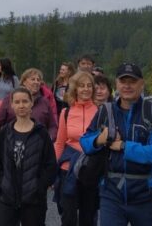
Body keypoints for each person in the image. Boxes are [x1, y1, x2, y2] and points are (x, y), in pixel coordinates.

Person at [80, 63, 152, 226]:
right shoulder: (105, 112)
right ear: (116, 84)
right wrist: (100, 139)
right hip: (111, 192)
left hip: (145, 194)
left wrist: (123, 146)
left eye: (132, 81)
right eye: (123, 81)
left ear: (141, 84)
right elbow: (85, 143)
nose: (127, 86)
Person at [0, 86, 59, 226]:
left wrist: (40, 187)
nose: (21, 105)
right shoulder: (5, 132)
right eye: (17, 102)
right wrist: (1, 184)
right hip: (7, 197)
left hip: (34, 199)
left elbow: (50, 165)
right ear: (11, 105)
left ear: (31, 103)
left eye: (25, 101)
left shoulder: (41, 133)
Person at [53, 71, 99, 226]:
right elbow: (60, 143)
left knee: (89, 216)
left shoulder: (101, 112)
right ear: (75, 89)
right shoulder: (66, 113)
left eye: (89, 86)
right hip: (68, 169)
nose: (86, 89)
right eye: (81, 86)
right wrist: (54, 171)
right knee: (68, 217)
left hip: (91, 169)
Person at [0, 68, 58, 143]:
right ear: (24, 82)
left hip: (38, 145)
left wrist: (49, 137)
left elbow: (52, 126)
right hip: (12, 142)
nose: (36, 82)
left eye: (38, 80)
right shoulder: (11, 99)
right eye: (33, 79)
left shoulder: (45, 102)